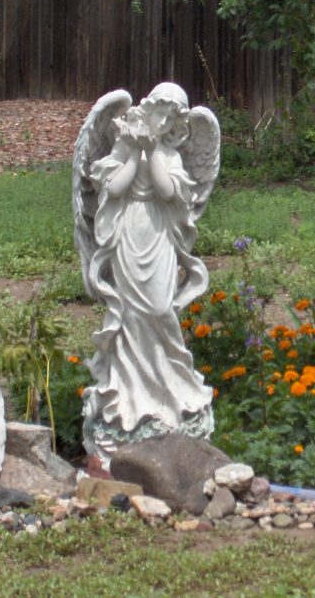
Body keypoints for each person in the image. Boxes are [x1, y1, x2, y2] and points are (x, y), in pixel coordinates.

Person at [81, 83, 213, 463]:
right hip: (128, 232)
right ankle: (129, 399)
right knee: (129, 315)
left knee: (159, 310)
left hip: (158, 235)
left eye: (172, 117)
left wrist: (152, 150)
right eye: (161, 111)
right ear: (149, 108)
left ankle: (172, 391)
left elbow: (169, 193)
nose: (164, 120)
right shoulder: (124, 147)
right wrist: (135, 151)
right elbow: (115, 187)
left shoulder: (168, 153)